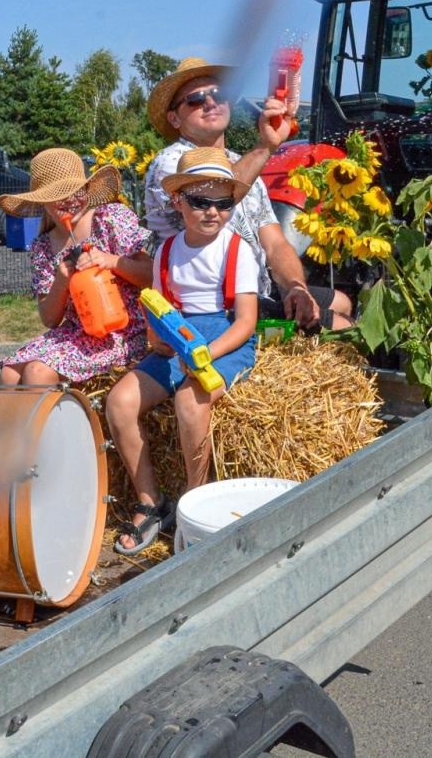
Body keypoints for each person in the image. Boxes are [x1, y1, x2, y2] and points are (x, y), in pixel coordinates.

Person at [105, 148, 260, 556]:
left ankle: (196, 499)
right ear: (178, 201)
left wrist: (206, 353)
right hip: (179, 339)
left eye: (223, 203)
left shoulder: (236, 249)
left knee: (191, 401)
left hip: (223, 338)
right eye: (200, 202)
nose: (212, 212)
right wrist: (158, 340)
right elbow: (160, 307)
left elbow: (245, 321)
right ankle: (150, 499)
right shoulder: (167, 251)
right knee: (119, 402)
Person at [143, 57, 354, 332]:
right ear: (174, 118)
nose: (210, 102)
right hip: (211, 302)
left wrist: (295, 287)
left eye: (219, 94)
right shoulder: (172, 163)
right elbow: (218, 192)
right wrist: (265, 147)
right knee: (343, 326)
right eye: (195, 99)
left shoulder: (241, 162)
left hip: (253, 288)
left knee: (342, 301)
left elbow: (275, 244)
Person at [0, 148, 152, 386]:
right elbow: (49, 319)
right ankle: (19, 424)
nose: (69, 199)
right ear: (42, 201)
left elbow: (150, 276)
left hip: (121, 332)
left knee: (37, 374)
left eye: (76, 190)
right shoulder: (44, 246)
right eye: (58, 193)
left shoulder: (109, 219)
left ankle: (44, 422)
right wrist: (61, 282)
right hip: (76, 333)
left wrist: (112, 261)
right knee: (9, 374)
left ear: (87, 189)